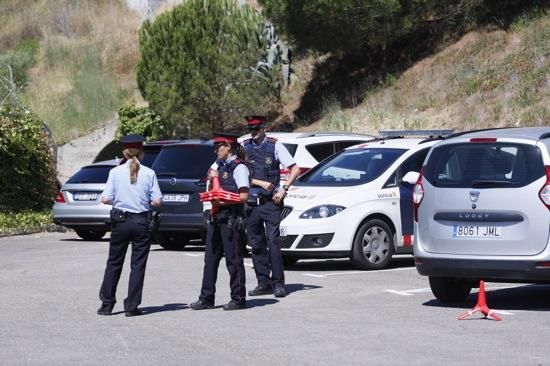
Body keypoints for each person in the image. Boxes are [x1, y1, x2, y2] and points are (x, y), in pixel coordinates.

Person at [97, 134, 162, 317]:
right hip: (141, 222)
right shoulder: (149, 173)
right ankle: (131, 306)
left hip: (120, 221)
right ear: (141, 152)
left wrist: (121, 200)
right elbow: (157, 201)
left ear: (124, 152)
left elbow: (105, 198)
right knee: (138, 265)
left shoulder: (115, 173)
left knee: (114, 263)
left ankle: (107, 304)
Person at [190, 132, 250, 311]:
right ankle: (206, 298)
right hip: (216, 217)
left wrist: (222, 202)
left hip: (231, 217)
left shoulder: (239, 167)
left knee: (233, 260)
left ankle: (238, 298)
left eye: (219, 147)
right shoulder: (219, 166)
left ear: (229, 147)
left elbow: (244, 196)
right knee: (210, 259)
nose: (216, 150)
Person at [243, 115, 301, 298]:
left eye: (256, 129)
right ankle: (263, 283)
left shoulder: (275, 146)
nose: (253, 132)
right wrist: (259, 183)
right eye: (251, 129)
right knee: (256, 244)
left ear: (264, 128)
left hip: (271, 203)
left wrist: (284, 189)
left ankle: (278, 284)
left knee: (273, 243)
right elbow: (240, 174)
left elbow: (295, 169)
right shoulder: (245, 147)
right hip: (252, 204)